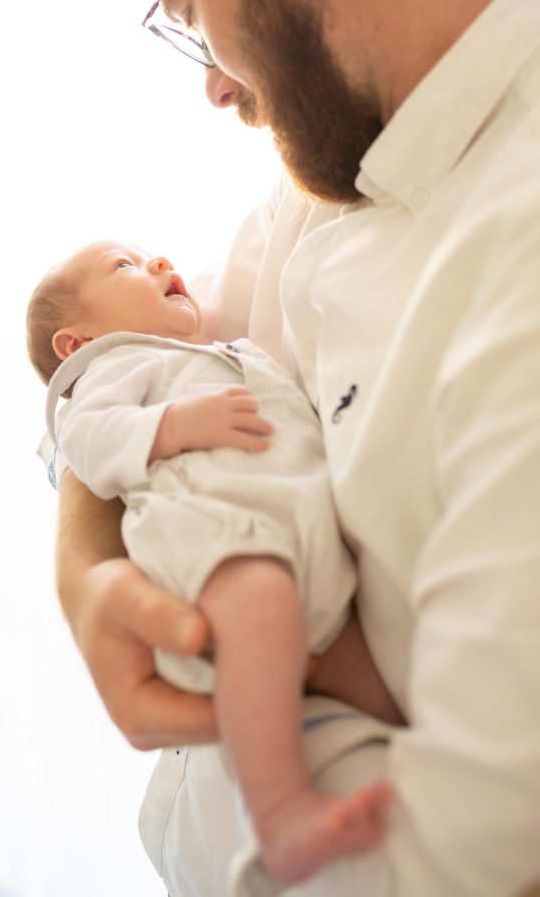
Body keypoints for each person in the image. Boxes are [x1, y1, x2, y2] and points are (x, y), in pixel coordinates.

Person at [51, 0, 540, 894]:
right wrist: (87, 566)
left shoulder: (515, 246)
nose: (214, 87)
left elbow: (458, 858)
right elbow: (115, 372)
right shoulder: (326, 171)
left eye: (187, 15)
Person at [28, 239, 400, 887]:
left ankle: (427, 771)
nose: (161, 265)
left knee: (381, 691)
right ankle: (282, 816)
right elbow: (85, 441)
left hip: (299, 546)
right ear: (75, 344)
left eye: (150, 257)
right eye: (126, 266)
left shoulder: (200, 349)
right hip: (218, 545)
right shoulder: (115, 366)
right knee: (260, 619)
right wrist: (173, 427)